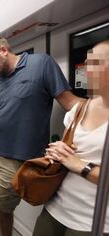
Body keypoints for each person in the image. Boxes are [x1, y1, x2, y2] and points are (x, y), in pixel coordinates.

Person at [0, 36, 81, 236]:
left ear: (4, 51)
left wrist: (99, 109)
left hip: (16, 161)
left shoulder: (41, 64)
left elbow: (70, 103)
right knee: (2, 209)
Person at [33, 40, 109, 236]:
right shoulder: (79, 109)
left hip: (93, 220)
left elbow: (74, 162)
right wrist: (58, 151)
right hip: (56, 207)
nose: (86, 69)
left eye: (95, 63)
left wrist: (80, 165)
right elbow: (69, 154)